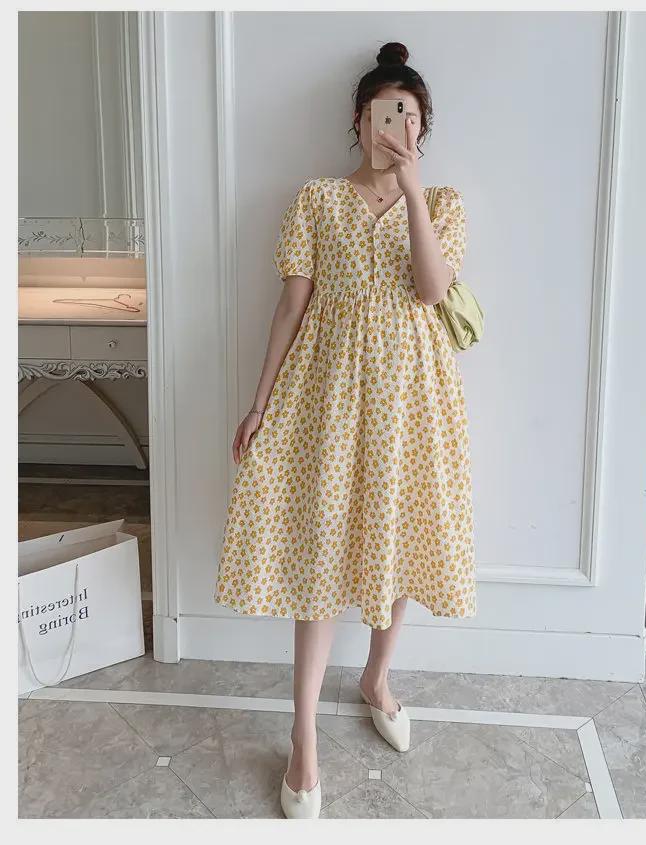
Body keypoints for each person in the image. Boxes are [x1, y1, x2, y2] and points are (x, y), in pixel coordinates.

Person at [214, 40, 477, 818]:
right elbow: (290, 306)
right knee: (321, 556)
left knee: (399, 541)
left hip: (411, 401)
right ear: (358, 120)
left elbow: (430, 290)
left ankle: (376, 677)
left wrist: (414, 193)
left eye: (409, 115)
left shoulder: (445, 202)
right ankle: (302, 736)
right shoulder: (317, 199)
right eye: (383, 112)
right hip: (324, 396)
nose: (396, 125)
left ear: (422, 126)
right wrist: (259, 402)